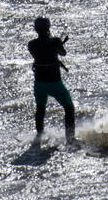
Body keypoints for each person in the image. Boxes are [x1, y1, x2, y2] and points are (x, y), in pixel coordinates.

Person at [28, 16, 75, 144]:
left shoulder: (31, 44)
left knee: (40, 108)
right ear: (48, 27)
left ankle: (39, 136)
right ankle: (70, 139)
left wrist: (53, 45)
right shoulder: (55, 41)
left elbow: (40, 53)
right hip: (54, 82)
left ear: (36, 29)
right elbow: (63, 53)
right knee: (69, 108)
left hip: (39, 83)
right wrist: (57, 43)